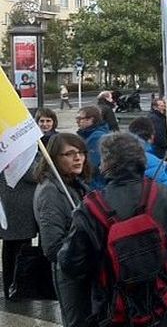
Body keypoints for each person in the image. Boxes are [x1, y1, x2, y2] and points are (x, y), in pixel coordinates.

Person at [57, 132, 167, 326]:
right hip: (161, 300)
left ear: (106, 163)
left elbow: (71, 263)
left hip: (114, 308)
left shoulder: (92, 207)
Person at [33, 133, 92, 326]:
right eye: (69, 154)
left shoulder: (76, 184)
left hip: (85, 269)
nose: (78, 158)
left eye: (81, 152)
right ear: (55, 158)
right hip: (72, 273)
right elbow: (52, 247)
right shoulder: (51, 191)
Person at [0, 167, 38, 299]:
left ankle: (12, 287)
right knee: (18, 250)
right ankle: (16, 288)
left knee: (11, 249)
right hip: (18, 207)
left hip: (12, 204)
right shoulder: (22, 152)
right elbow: (34, 174)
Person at [76, 106, 110, 189]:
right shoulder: (89, 135)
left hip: (95, 185)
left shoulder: (96, 137)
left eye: (80, 118)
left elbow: (91, 165)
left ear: (91, 119)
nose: (77, 122)